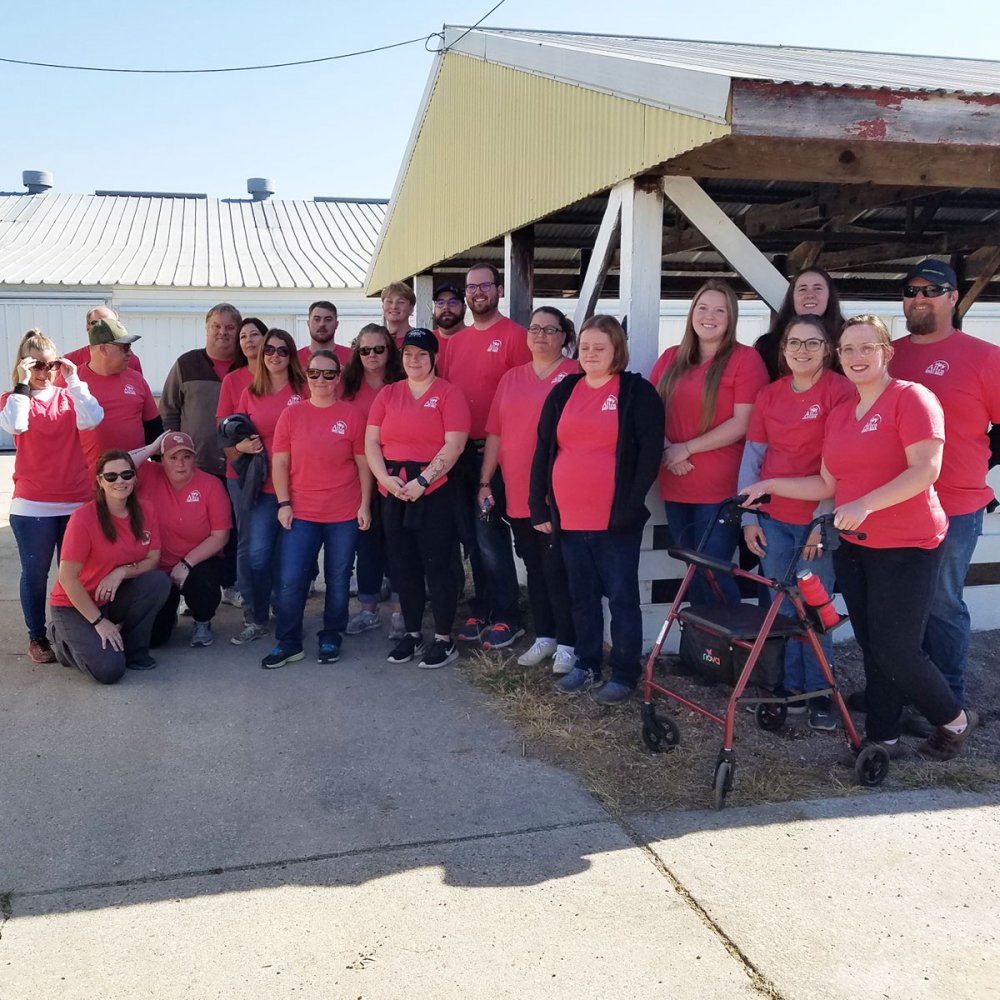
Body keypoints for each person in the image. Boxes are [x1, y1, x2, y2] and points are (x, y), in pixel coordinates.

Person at [742, 315, 978, 762]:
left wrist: (867, 503)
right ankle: (882, 737)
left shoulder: (911, 399)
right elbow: (826, 484)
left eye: (866, 348)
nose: (856, 357)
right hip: (856, 546)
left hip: (908, 545)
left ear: (887, 353)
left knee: (897, 649)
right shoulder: (842, 412)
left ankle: (954, 719)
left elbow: (926, 470)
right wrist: (770, 485)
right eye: (848, 349)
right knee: (873, 646)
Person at [530, 314, 663, 704]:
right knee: (581, 595)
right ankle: (586, 663)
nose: (590, 354)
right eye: (585, 347)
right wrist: (538, 503)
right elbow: (544, 450)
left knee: (621, 598)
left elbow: (649, 455)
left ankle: (624, 672)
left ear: (616, 350)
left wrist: (630, 504)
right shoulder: (565, 390)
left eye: (599, 347)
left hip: (615, 520)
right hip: (569, 518)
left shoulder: (636, 392)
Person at [889, 258, 1000, 709]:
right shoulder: (887, 353)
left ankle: (946, 701)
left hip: (954, 506)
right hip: (890, 504)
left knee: (942, 604)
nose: (919, 299)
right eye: (911, 291)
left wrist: (980, 464)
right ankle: (905, 692)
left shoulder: (984, 356)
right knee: (899, 608)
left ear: (953, 297)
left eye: (931, 291)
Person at [738, 315, 854, 729]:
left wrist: (822, 523)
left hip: (814, 521)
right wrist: (748, 517)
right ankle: (788, 691)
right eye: (794, 343)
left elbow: (841, 465)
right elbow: (753, 456)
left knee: (814, 608)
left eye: (812, 343)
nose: (802, 350)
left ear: (827, 349)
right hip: (772, 519)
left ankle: (821, 692)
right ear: (782, 349)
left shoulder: (841, 392)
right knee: (779, 607)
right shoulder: (769, 395)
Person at [651, 279, 769, 604]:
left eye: (720, 310)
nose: (710, 316)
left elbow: (743, 423)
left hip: (720, 489)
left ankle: (731, 646)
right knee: (692, 568)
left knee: (712, 569)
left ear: (731, 319)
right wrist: (667, 450)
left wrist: (685, 448)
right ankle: (705, 651)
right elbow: (650, 412)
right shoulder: (670, 359)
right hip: (675, 481)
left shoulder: (745, 360)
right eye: (703, 308)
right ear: (692, 313)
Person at [480, 307, 579, 674]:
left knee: (558, 568)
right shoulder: (511, 378)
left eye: (550, 329)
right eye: (534, 328)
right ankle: (546, 635)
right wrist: (485, 481)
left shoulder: (575, 375)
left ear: (564, 336)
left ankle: (569, 642)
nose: (540, 335)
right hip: (519, 489)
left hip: (559, 492)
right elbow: (495, 432)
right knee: (534, 567)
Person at [365, 329, 470, 669]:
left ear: (434, 357)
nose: (414, 360)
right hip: (393, 490)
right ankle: (411, 634)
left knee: (437, 565)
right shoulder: (388, 394)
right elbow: (371, 443)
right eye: (409, 353)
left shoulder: (449, 394)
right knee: (402, 566)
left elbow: (454, 444)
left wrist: (424, 480)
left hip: (434, 491)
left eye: (422, 354)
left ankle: (443, 637)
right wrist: (385, 479)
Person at [440, 263, 532, 649]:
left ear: (498, 289)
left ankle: (508, 615)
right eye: (471, 286)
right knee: (472, 539)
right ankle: (483, 608)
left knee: (491, 535)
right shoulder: (455, 343)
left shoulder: (515, 337)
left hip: (494, 454)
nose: (478, 292)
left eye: (485, 285)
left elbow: (525, 398)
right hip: (459, 453)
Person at [264, 350, 373, 667]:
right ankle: (288, 642)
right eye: (314, 374)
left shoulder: (351, 415)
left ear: (338, 377)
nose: (321, 380)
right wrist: (283, 502)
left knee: (337, 579)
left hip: (344, 512)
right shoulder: (292, 415)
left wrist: (365, 504)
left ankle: (331, 636)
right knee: (291, 578)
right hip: (302, 512)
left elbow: (363, 463)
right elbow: (281, 462)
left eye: (328, 374)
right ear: (306, 377)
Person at [1, 330, 104, 663]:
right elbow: (15, 426)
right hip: (33, 505)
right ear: (24, 366)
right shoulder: (14, 398)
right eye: (37, 366)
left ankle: (73, 630)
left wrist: (74, 381)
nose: (45, 373)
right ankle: (38, 637)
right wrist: (21, 383)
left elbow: (93, 419)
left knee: (76, 573)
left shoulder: (67, 396)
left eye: (51, 365)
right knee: (35, 573)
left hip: (75, 501)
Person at [47, 450, 171, 684]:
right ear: (100, 481)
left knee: (157, 582)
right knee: (110, 671)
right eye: (111, 476)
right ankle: (61, 640)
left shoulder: (146, 510)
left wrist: (121, 572)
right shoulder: (83, 518)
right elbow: (67, 578)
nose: (120, 481)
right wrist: (98, 622)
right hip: (73, 604)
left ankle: (135, 651)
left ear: (135, 478)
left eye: (126, 474)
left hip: (110, 597)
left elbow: (153, 559)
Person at [228, 329, 308, 645]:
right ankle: (258, 617)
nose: (275, 355)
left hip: (301, 485)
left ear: (292, 355)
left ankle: (288, 618)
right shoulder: (251, 392)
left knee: (291, 562)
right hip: (262, 487)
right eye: (269, 350)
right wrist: (242, 446)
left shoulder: (304, 389)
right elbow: (233, 432)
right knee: (258, 556)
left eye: (283, 350)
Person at [129, 432, 232, 648]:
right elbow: (117, 465)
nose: (181, 464)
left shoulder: (210, 484)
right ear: (161, 459)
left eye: (187, 456)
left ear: (195, 458)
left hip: (196, 563)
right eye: (173, 457)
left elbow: (220, 536)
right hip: (156, 566)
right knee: (156, 640)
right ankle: (168, 611)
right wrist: (151, 448)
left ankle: (202, 621)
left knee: (203, 580)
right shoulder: (149, 474)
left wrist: (186, 563)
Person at [340, 324, 404, 637]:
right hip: (357, 476)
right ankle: (367, 610)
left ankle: (399, 612)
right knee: (366, 542)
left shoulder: (402, 383)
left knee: (397, 541)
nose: (372, 355)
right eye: (365, 350)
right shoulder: (346, 386)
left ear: (390, 351)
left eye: (379, 349)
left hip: (396, 473)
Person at [216, 317, 268, 612]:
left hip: (281, 471)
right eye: (243, 336)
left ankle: (275, 596)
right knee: (247, 537)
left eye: (255, 335)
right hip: (241, 473)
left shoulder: (282, 375)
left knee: (275, 538)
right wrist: (240, 456)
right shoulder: (232, 380)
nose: (249, 340)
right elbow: (221, 430)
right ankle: (250, 600)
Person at [159, 303, 245, 478]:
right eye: (216, 326)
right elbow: (168, 412)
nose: (223, 332)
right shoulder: (186, 364)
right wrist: (175, 452)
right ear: (207, 329)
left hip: (241, 464)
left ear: (238, 332)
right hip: (196, 465)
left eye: (230, 327)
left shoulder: (249, 366)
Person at [72, 317, 162, 474]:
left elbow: (153, 430)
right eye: (125, 347)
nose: (130, 353)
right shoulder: (71, 381)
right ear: (103, 349)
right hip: (88, 484)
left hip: (135, 480)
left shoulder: (136, 379)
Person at [754, 268, 845, 381]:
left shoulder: (848, 342)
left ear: (829, 296)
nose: (810, 295)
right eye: (802, 289)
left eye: (818, 288)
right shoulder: (767, 345)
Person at [64, 306, 143, 374]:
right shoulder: (70, 360)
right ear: (87, 326)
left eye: (112, 323)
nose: (105, 327)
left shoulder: (131, 360)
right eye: (98, 323)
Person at [296, 301, 351, 370]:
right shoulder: (294, 359)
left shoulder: (352, 357)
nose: (322, 324)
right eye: (317, 319)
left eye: (328, 319)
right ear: (308, 323)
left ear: (336, 324)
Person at [431, 281, 467, 375]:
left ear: (464, 307)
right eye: (440, 303)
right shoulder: (426, 341)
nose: (446, 307)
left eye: (453, 302)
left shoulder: (476, 339)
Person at [381, 282, 416, 349]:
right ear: (383, 307)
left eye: (401, 302)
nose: (394, 306)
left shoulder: (420, 340)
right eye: (389, 301)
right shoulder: (375, 341)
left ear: (411, 308)